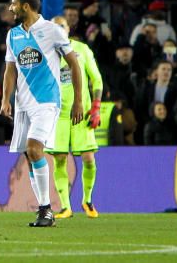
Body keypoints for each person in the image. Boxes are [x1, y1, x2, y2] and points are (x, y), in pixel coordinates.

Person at [0, 0, 83, 228]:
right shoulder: (13, 35)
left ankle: (46, 209)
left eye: (14, 4)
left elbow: (74, 64)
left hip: (47, 101)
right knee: (29, 154)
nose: (10, 7)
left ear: (26, 6)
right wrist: (6, 99)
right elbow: (10, 70)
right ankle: (44, 210)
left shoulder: (53, 30)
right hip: (23, 104)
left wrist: (78, 100)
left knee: (36, 149)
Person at [47, 16, 104, 220]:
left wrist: (96, 107)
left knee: (89, 158)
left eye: (61, 26)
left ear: (68, 29)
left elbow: (96, 79)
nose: (58, 29)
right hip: (58, 115)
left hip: (82, 113)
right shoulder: (46, 52)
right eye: (53, 27)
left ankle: (87, 200)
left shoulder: (82, 50)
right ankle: (65, 206)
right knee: (59, 160)